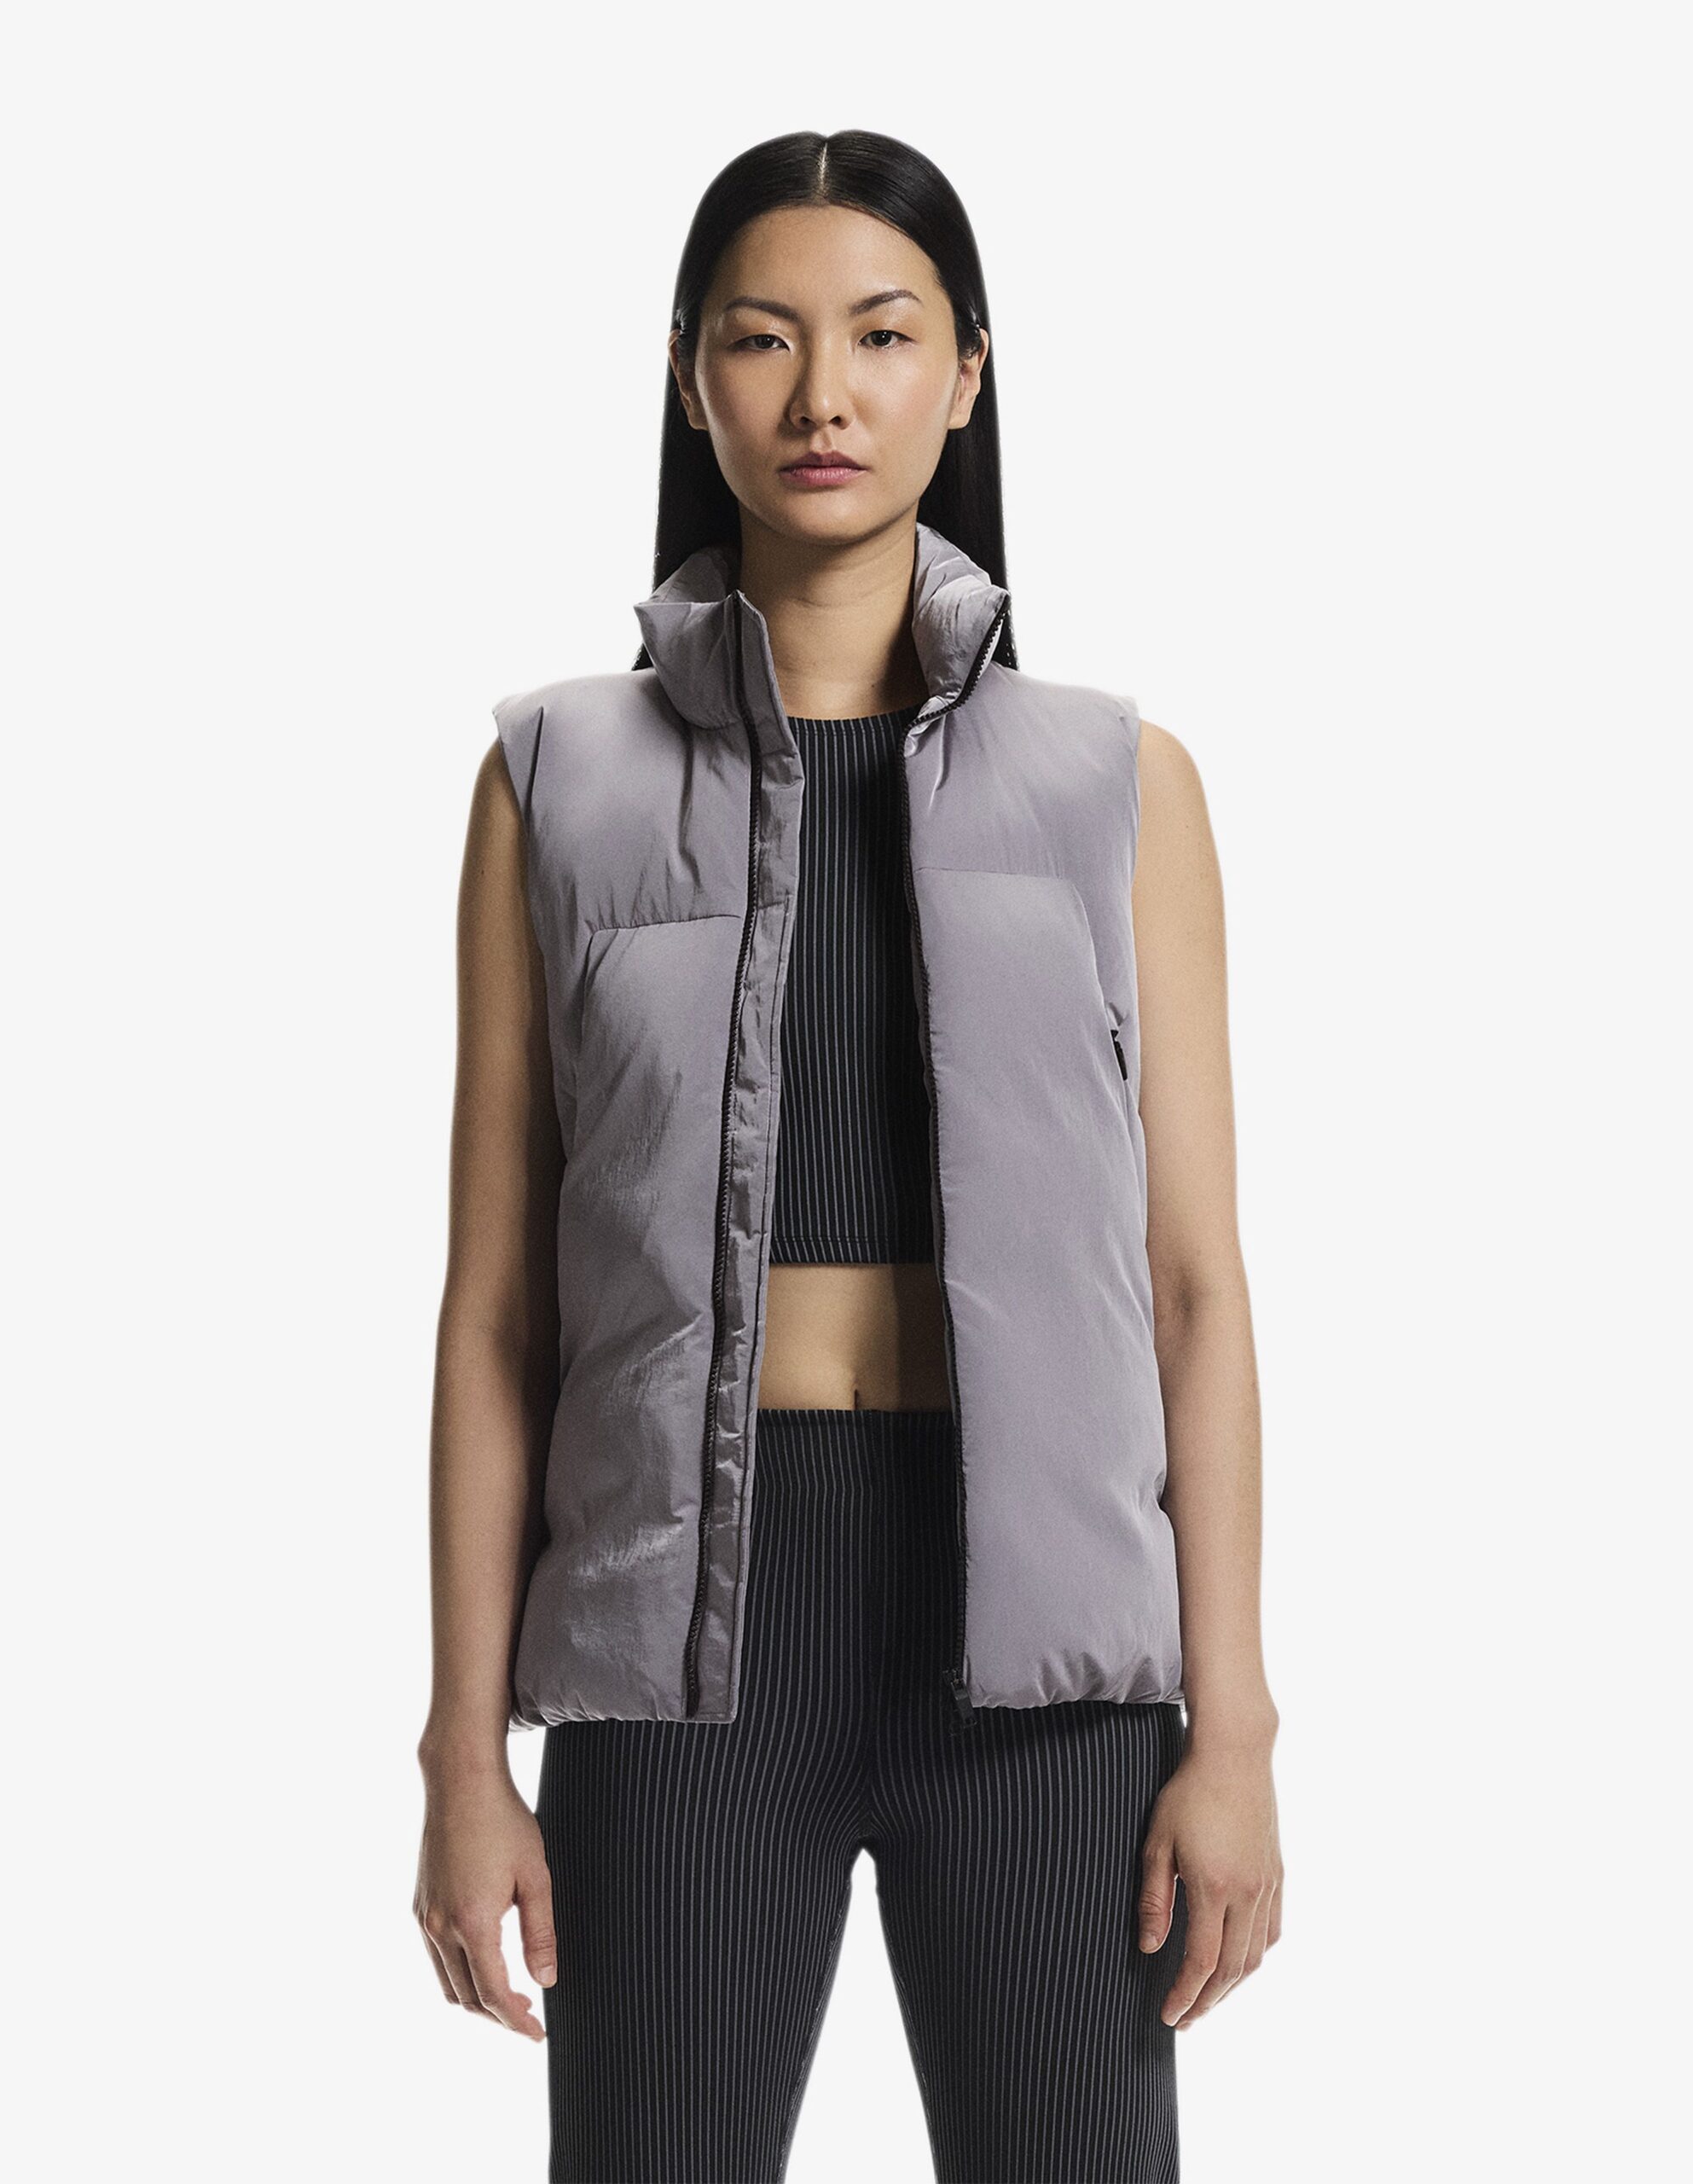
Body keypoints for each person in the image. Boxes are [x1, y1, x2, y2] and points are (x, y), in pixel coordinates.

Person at [416, 128, 1283, 2183]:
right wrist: (460, 1747)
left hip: (1040, 1658)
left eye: (883, 336)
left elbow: (1189, 1288)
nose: (824, 393)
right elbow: (495, 1314)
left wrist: (1233, 1723)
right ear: (687, 374)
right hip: (679, 1654)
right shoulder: (553, 781)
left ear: (964, 375)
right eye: (762, 337)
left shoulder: (1116, 783)